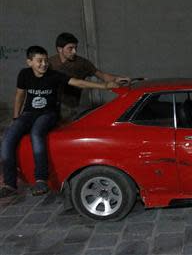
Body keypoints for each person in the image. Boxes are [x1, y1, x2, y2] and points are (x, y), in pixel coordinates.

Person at [0, 46, 119, 198]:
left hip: (47, 114)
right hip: (28, 114)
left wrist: (104, 86)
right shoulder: (24, 74)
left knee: (37, 133)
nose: (44, 64)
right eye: (39, 61)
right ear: (29, 62)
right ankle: (9, 184)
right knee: (8, 138)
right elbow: (19, 95)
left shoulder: (54, 75)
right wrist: (16, 118)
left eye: (46, 60)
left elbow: (78, 83)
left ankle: (40, 179)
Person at [48, 32, 130, 120]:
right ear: (60, 49)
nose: (74, 51)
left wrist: (117, 78)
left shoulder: (82, 63)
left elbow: (102, 75)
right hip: (50, 105)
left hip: (69, 107)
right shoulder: (49, 63)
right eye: (70, 48)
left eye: (76, 48)